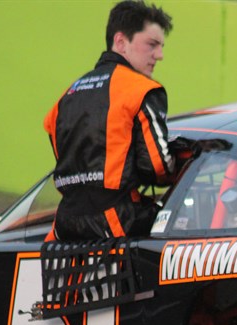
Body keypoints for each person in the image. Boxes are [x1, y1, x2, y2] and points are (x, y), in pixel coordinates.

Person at [44, 1, 177, 241]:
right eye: (152, 45)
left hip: (63, 226)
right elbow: (158, 167)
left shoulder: (66, 97)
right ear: (121, 42)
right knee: (182, 222)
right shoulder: (143, 90)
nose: (160, 55)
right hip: (118, 224)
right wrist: (183, 163)